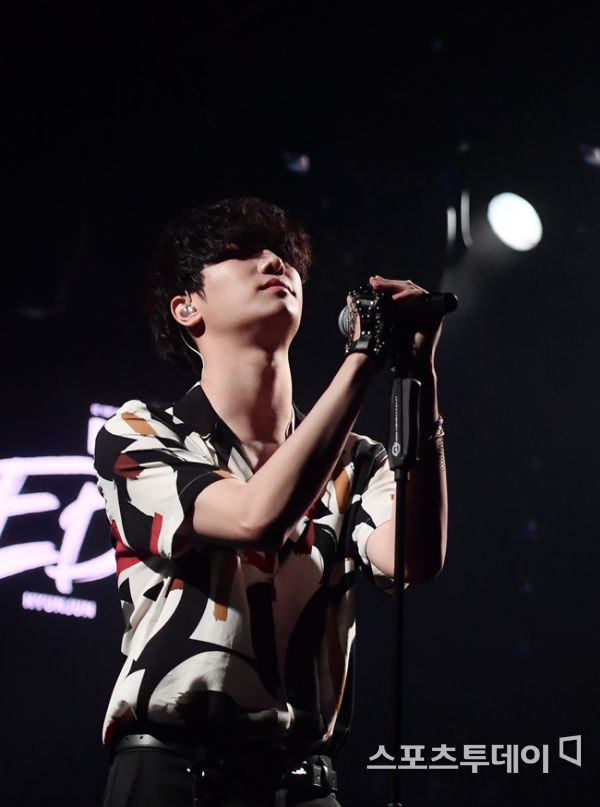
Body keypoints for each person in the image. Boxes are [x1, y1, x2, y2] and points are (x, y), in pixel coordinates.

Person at [94, 197, 448, 807]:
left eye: (282, 255)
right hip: (173, 774)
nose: (273, 262)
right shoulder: (140, 433)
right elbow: (253, 517)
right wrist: (363, 357)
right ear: (187, 307)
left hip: (304, 785)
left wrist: (421, 376)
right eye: (240, 254)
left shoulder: (357, 460)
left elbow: (412, 559)